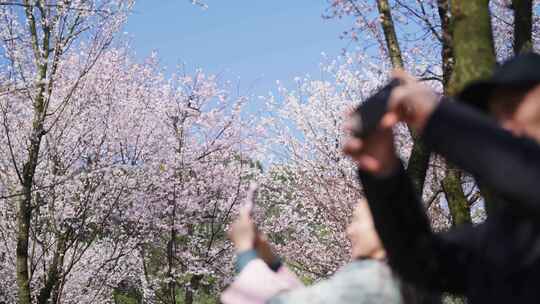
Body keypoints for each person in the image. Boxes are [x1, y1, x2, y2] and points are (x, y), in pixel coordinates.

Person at [342, 52, 540, 303]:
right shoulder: (501, 238)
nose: (503, 126)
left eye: (512, 108)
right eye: (494, 117)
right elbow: (420, 261)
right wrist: (384, 172)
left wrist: (436, 117)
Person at [221, 199, 404, 304]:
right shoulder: (389, 276)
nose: (349, 231)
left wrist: (245, 250)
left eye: (357, 221)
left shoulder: (372, 282)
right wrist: (270, 261)